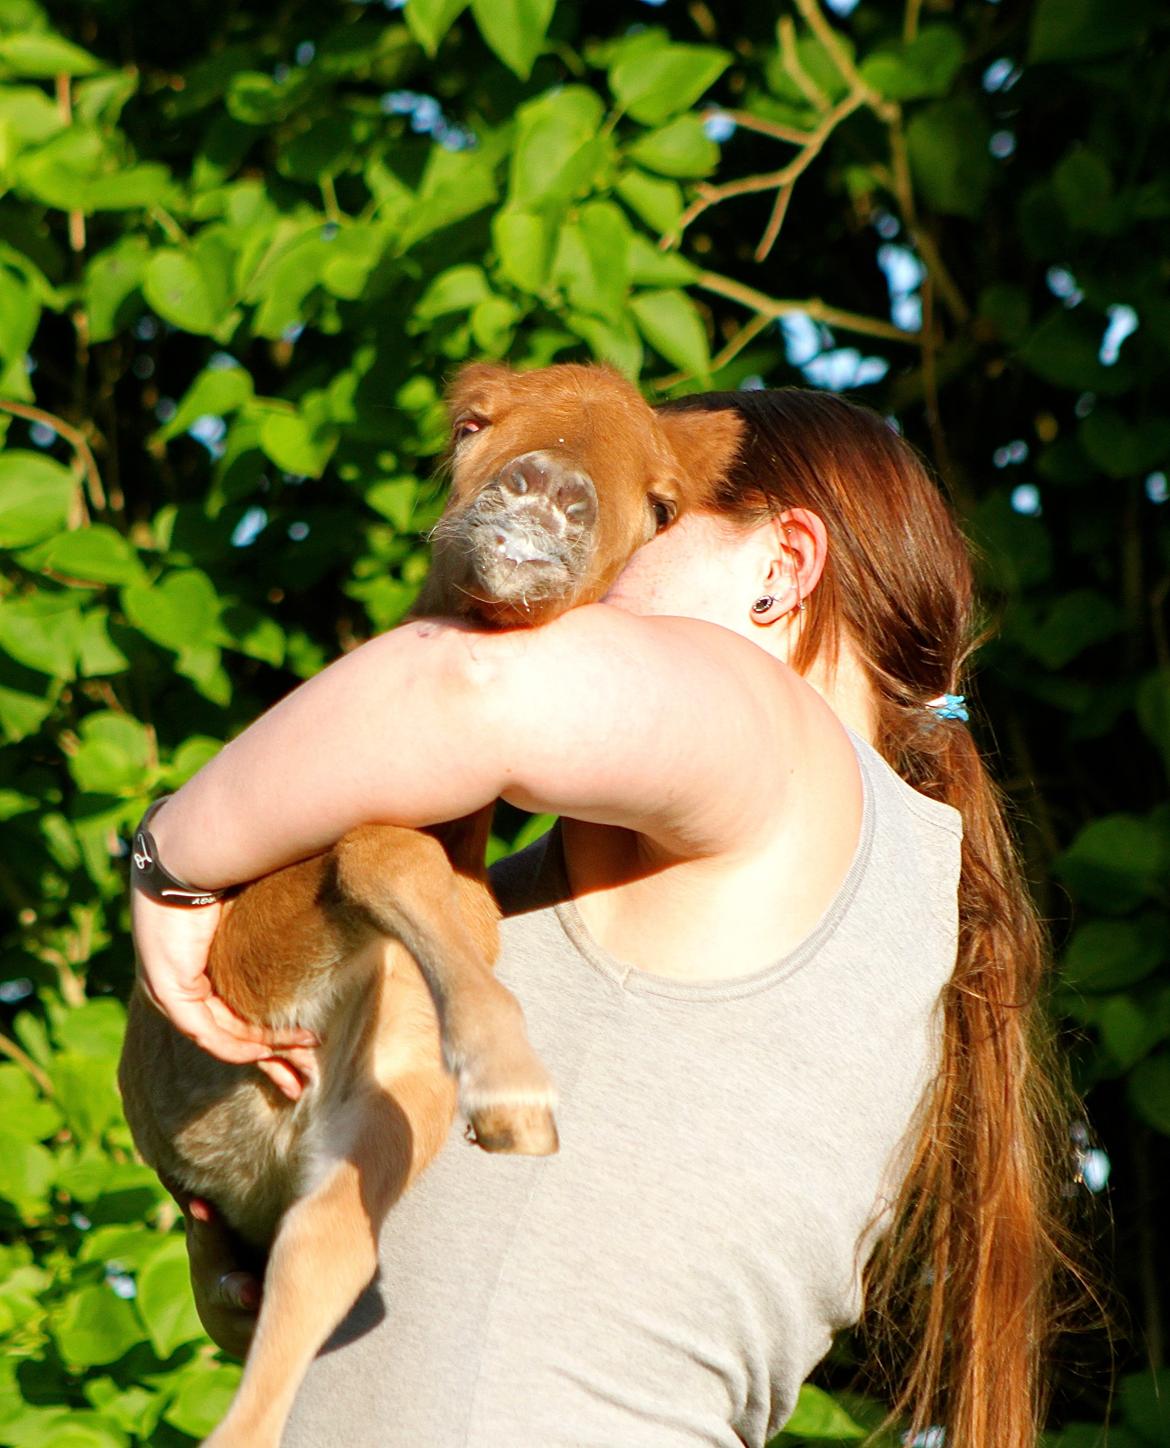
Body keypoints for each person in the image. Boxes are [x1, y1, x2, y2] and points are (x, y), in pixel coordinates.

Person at [131, 387, 1069, 1448]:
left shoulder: (789, 744)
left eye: (649, 519)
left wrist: (175, 862)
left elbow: (469, 686)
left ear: (780, 568)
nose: (579, 578)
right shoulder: (839, 911)